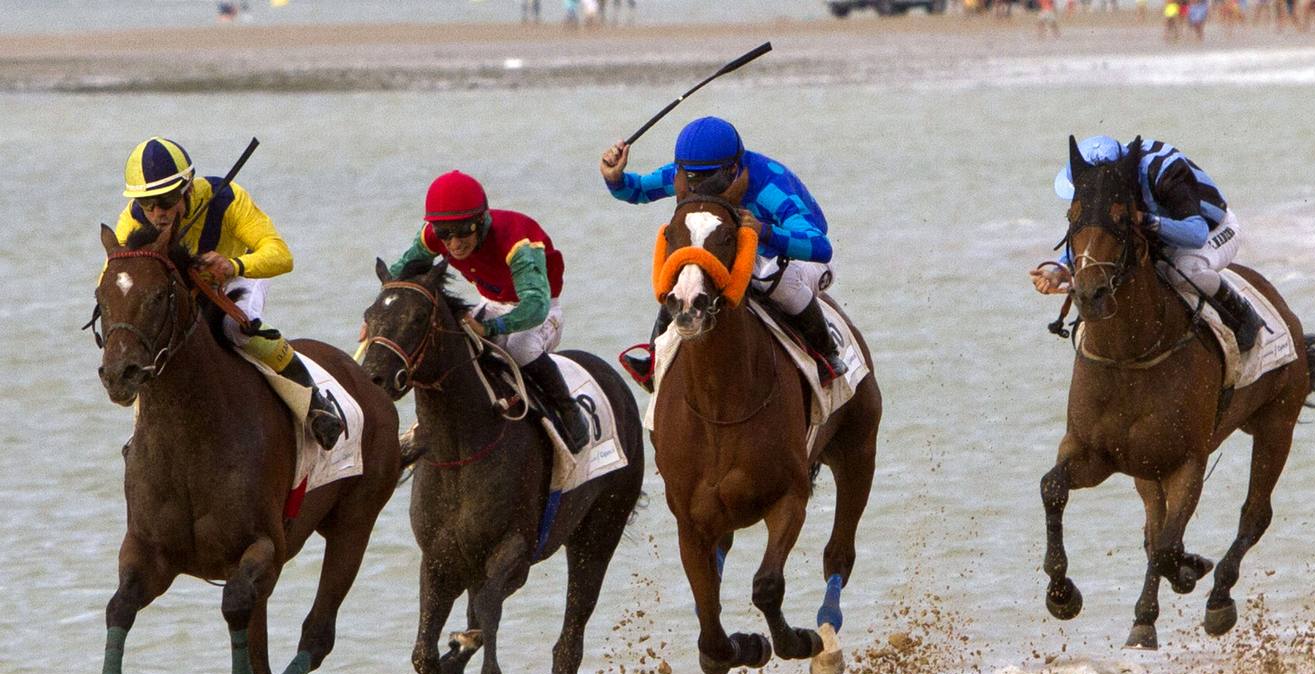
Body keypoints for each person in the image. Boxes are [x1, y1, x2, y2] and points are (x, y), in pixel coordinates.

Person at [114, 136, 344, 449]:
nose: (158, 214)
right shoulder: (132, 220)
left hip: (239, 276)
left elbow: (281, 255)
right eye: (148, 204)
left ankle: (316, 404)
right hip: (186, 291)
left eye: (167, 201)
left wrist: (234, 265)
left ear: (189, 189)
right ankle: (141, 433)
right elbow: (114, 275)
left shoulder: (228, 200)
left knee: (235, 328)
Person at [600, 116, 846, 391]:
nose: (699, 189)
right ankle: (654, 359)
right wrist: (615, 178)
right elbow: (638, 190)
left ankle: (826, 354)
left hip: (795, 256)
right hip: (733, 249)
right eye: (691, 180)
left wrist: (765, 231)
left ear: (733, 169)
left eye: (710, 180)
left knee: (771, 278)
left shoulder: (769, 188)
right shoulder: (693, 174)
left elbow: (820, 247)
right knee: (686, 277)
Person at [386, 170, 591, 454]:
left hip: (539, 310)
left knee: (520, 348)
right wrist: (381, 318)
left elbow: (535, 306)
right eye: (445, 234)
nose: (455, 244)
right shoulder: (434, 235)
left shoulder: (518, 244)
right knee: (453, 344)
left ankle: (568, 410)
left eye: (463, 231)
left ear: (481, 221)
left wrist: (490, 329)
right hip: (492, 302)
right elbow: (398, 276)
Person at [1029, 135, 1263, 352]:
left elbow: (1196, 234)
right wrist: (1059, 271)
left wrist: (1146, 220)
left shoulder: (1163, 169)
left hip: (1212, 229)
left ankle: (1240, 310)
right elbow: (1097, 237)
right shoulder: (1107, 184)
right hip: (1161, 234)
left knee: (1181, 272)